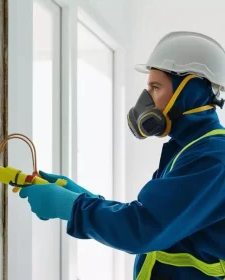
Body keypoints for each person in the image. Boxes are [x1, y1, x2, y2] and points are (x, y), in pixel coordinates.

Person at [19, 31, 225, 280]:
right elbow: (154, 217)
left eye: (155, 87)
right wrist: (81, 198)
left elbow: (143, 228)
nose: (145, 101)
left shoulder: (213, 158)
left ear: (189, 91)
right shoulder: (188, 149)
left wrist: (72, 206)